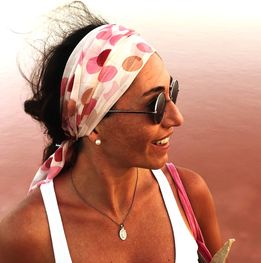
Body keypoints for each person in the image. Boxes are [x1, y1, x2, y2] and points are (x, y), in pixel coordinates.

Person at [0, 1, 224, 262]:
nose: (177, 117)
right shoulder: (27, 235)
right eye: (155, 105)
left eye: (171, 91)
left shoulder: (188, 194)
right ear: (94, 126)